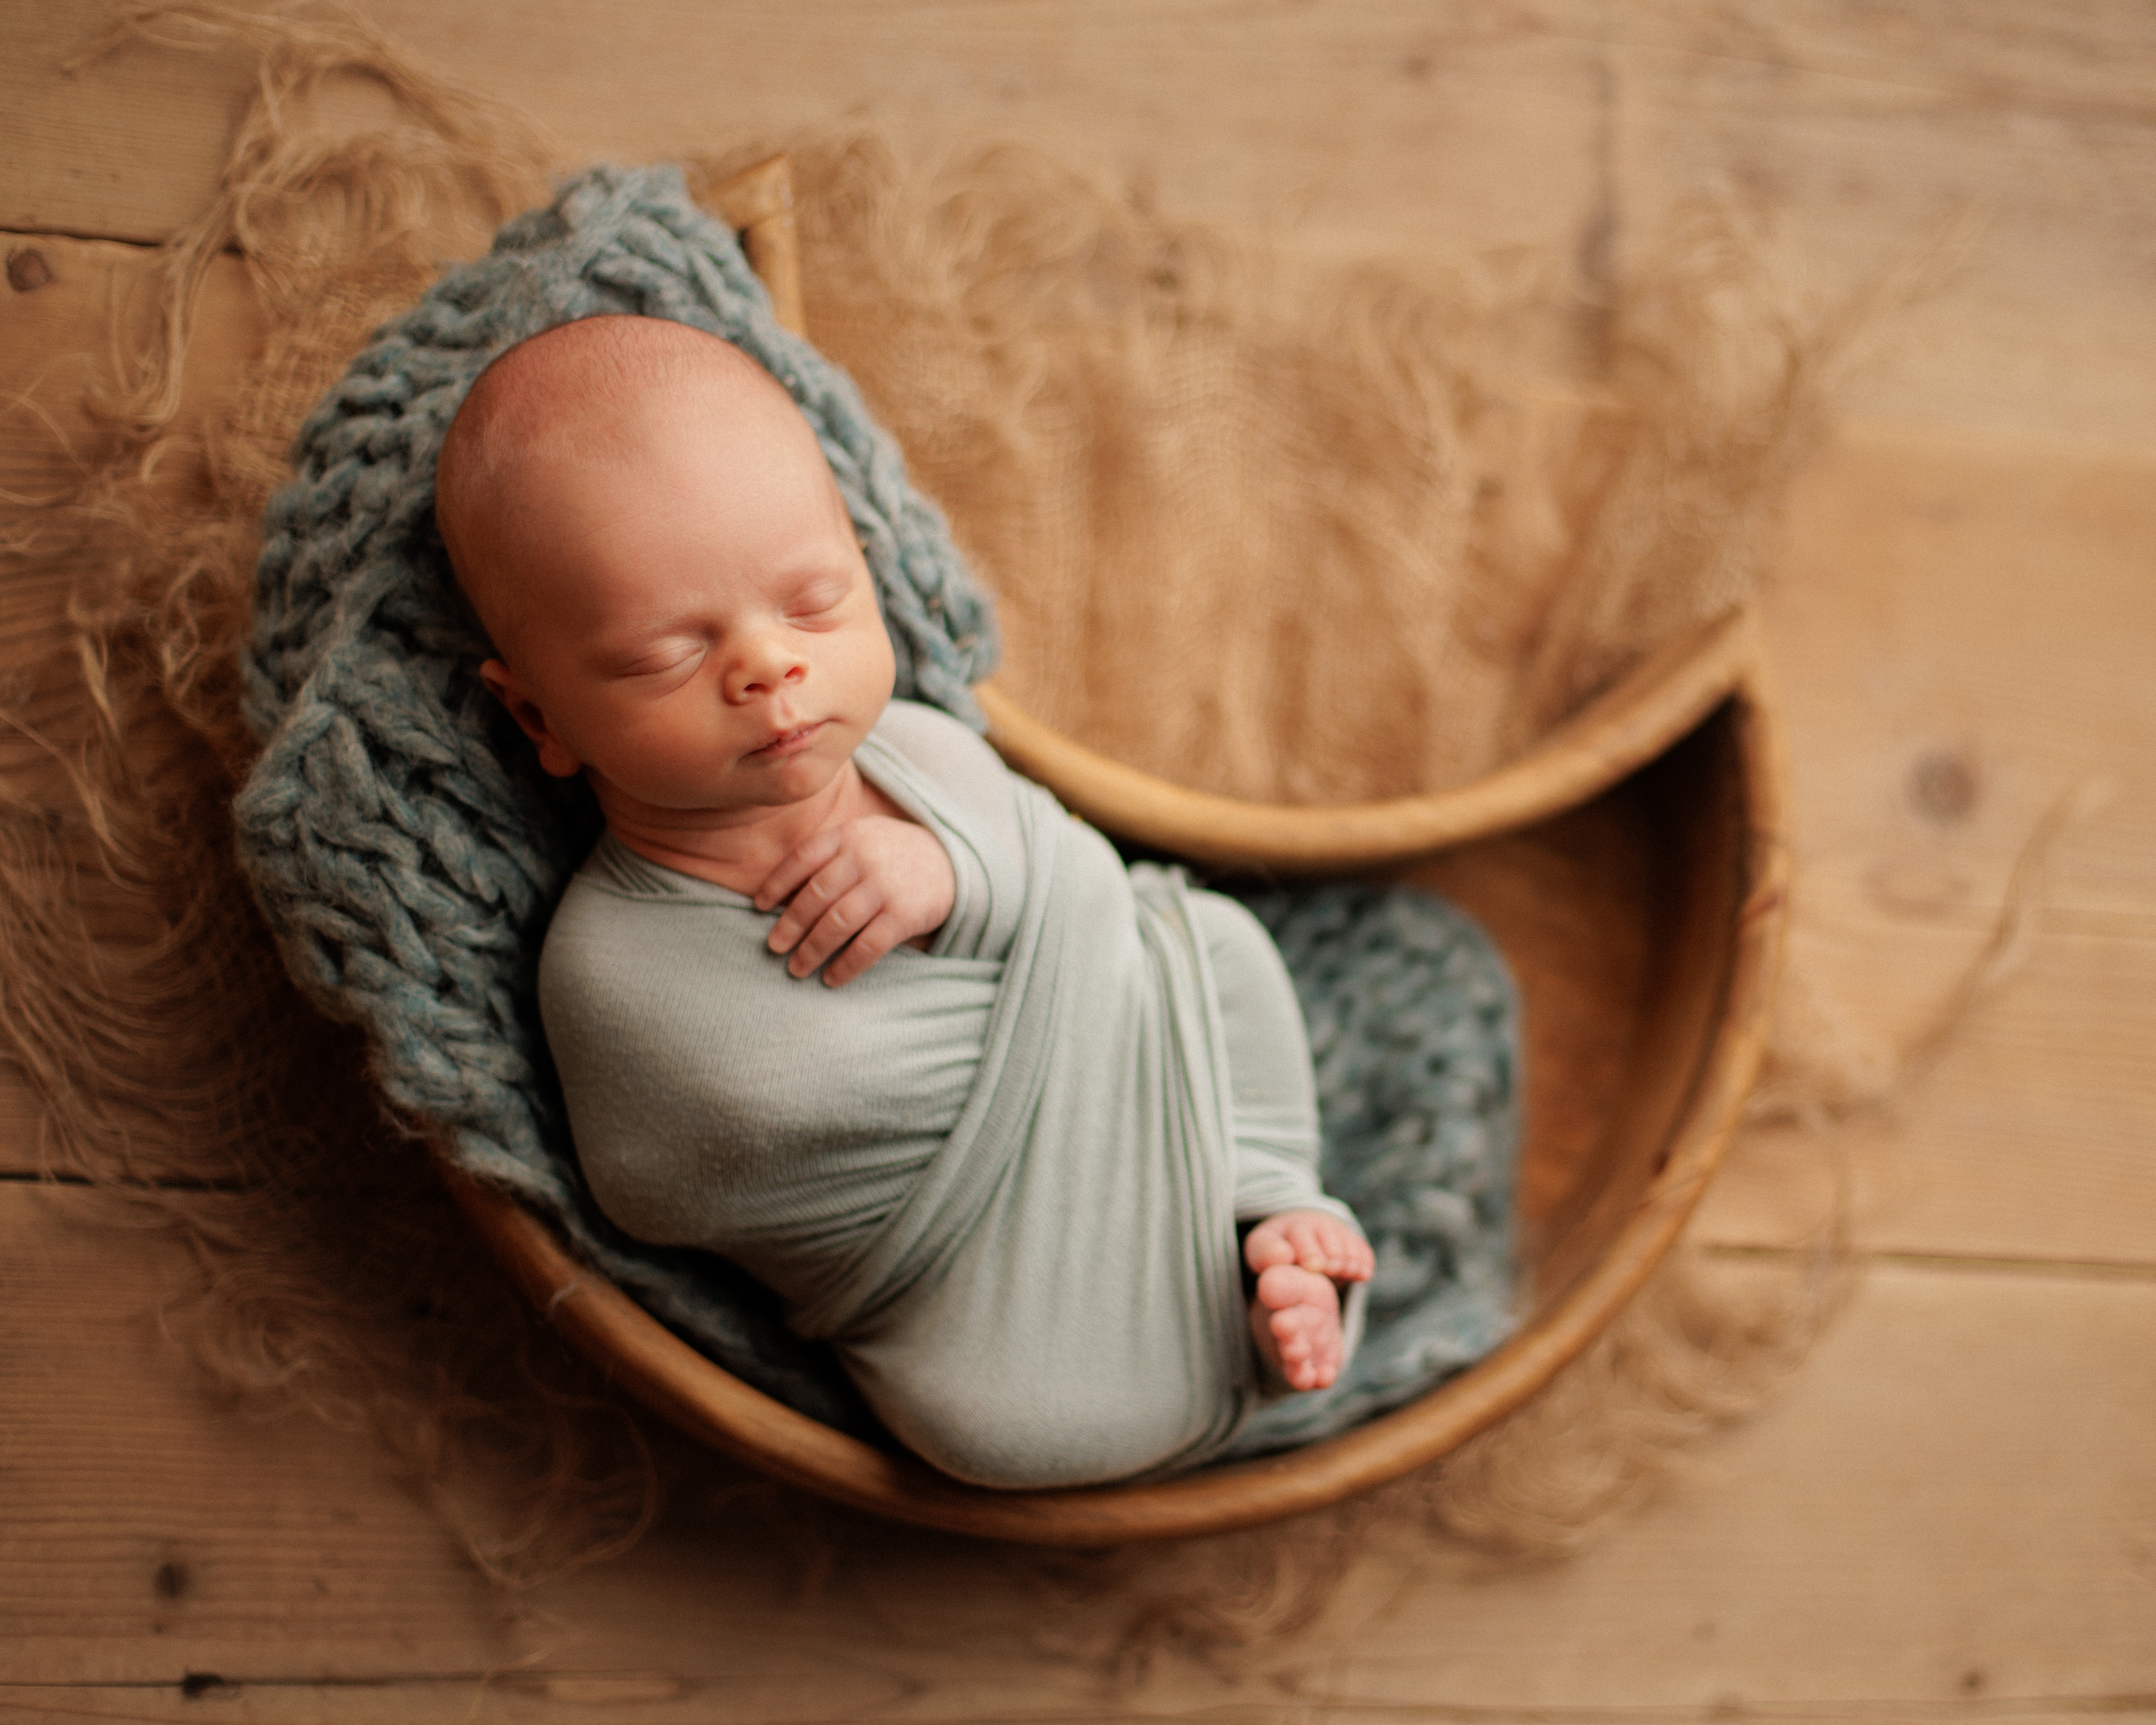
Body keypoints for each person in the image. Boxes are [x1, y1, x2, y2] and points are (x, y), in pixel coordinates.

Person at [433, 314, 1372, 1488]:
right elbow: (654, 1187)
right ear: (538, 720)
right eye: (668, 655)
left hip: (1140, 1102)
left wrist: (963, 876)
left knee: (1215, 946)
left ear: (867, 570)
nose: (767, 668)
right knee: (992, 1428)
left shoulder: (925, 755)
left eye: (815, 604)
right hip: (964, 1288)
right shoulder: (609, 960)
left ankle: (1271, 1210)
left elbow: (1083, 888)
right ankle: (1253, 1289)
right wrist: (896, 1072)